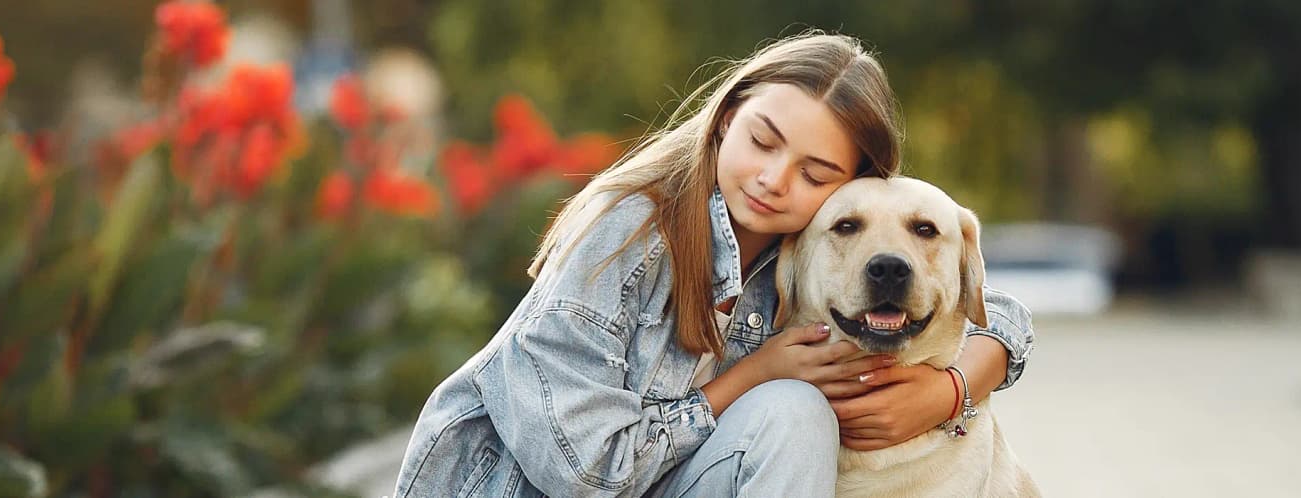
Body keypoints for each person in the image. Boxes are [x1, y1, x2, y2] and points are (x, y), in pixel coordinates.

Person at [391, 32, 1034, 498]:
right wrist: (755, 372)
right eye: (762, 140)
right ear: (726, 119)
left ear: (847, 189)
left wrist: (954, 387)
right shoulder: (626, 233)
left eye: (815, 174)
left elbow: (969, 290)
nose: (774, 180)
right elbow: (587, 473)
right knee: (790, 408)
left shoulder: (807, 247)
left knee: (791, 411)